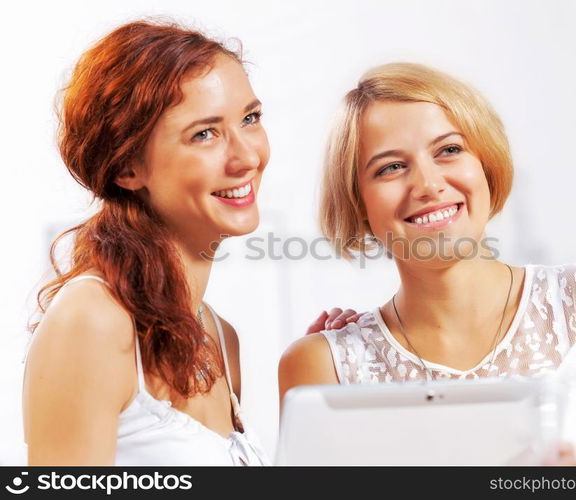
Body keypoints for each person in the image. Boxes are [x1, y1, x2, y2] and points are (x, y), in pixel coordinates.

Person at [278, 62, 576, 465]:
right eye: (391, 167)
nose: (428, 184)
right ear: (358, 203)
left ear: (485, 165)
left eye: (449, 150)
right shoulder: (321, 365)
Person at [22, 20, 353, 466]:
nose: (247, 157)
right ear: (128, 169)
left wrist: (331, 384)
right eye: (205, 133)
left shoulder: (219, 337)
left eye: (250, 119)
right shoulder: (93, 321)